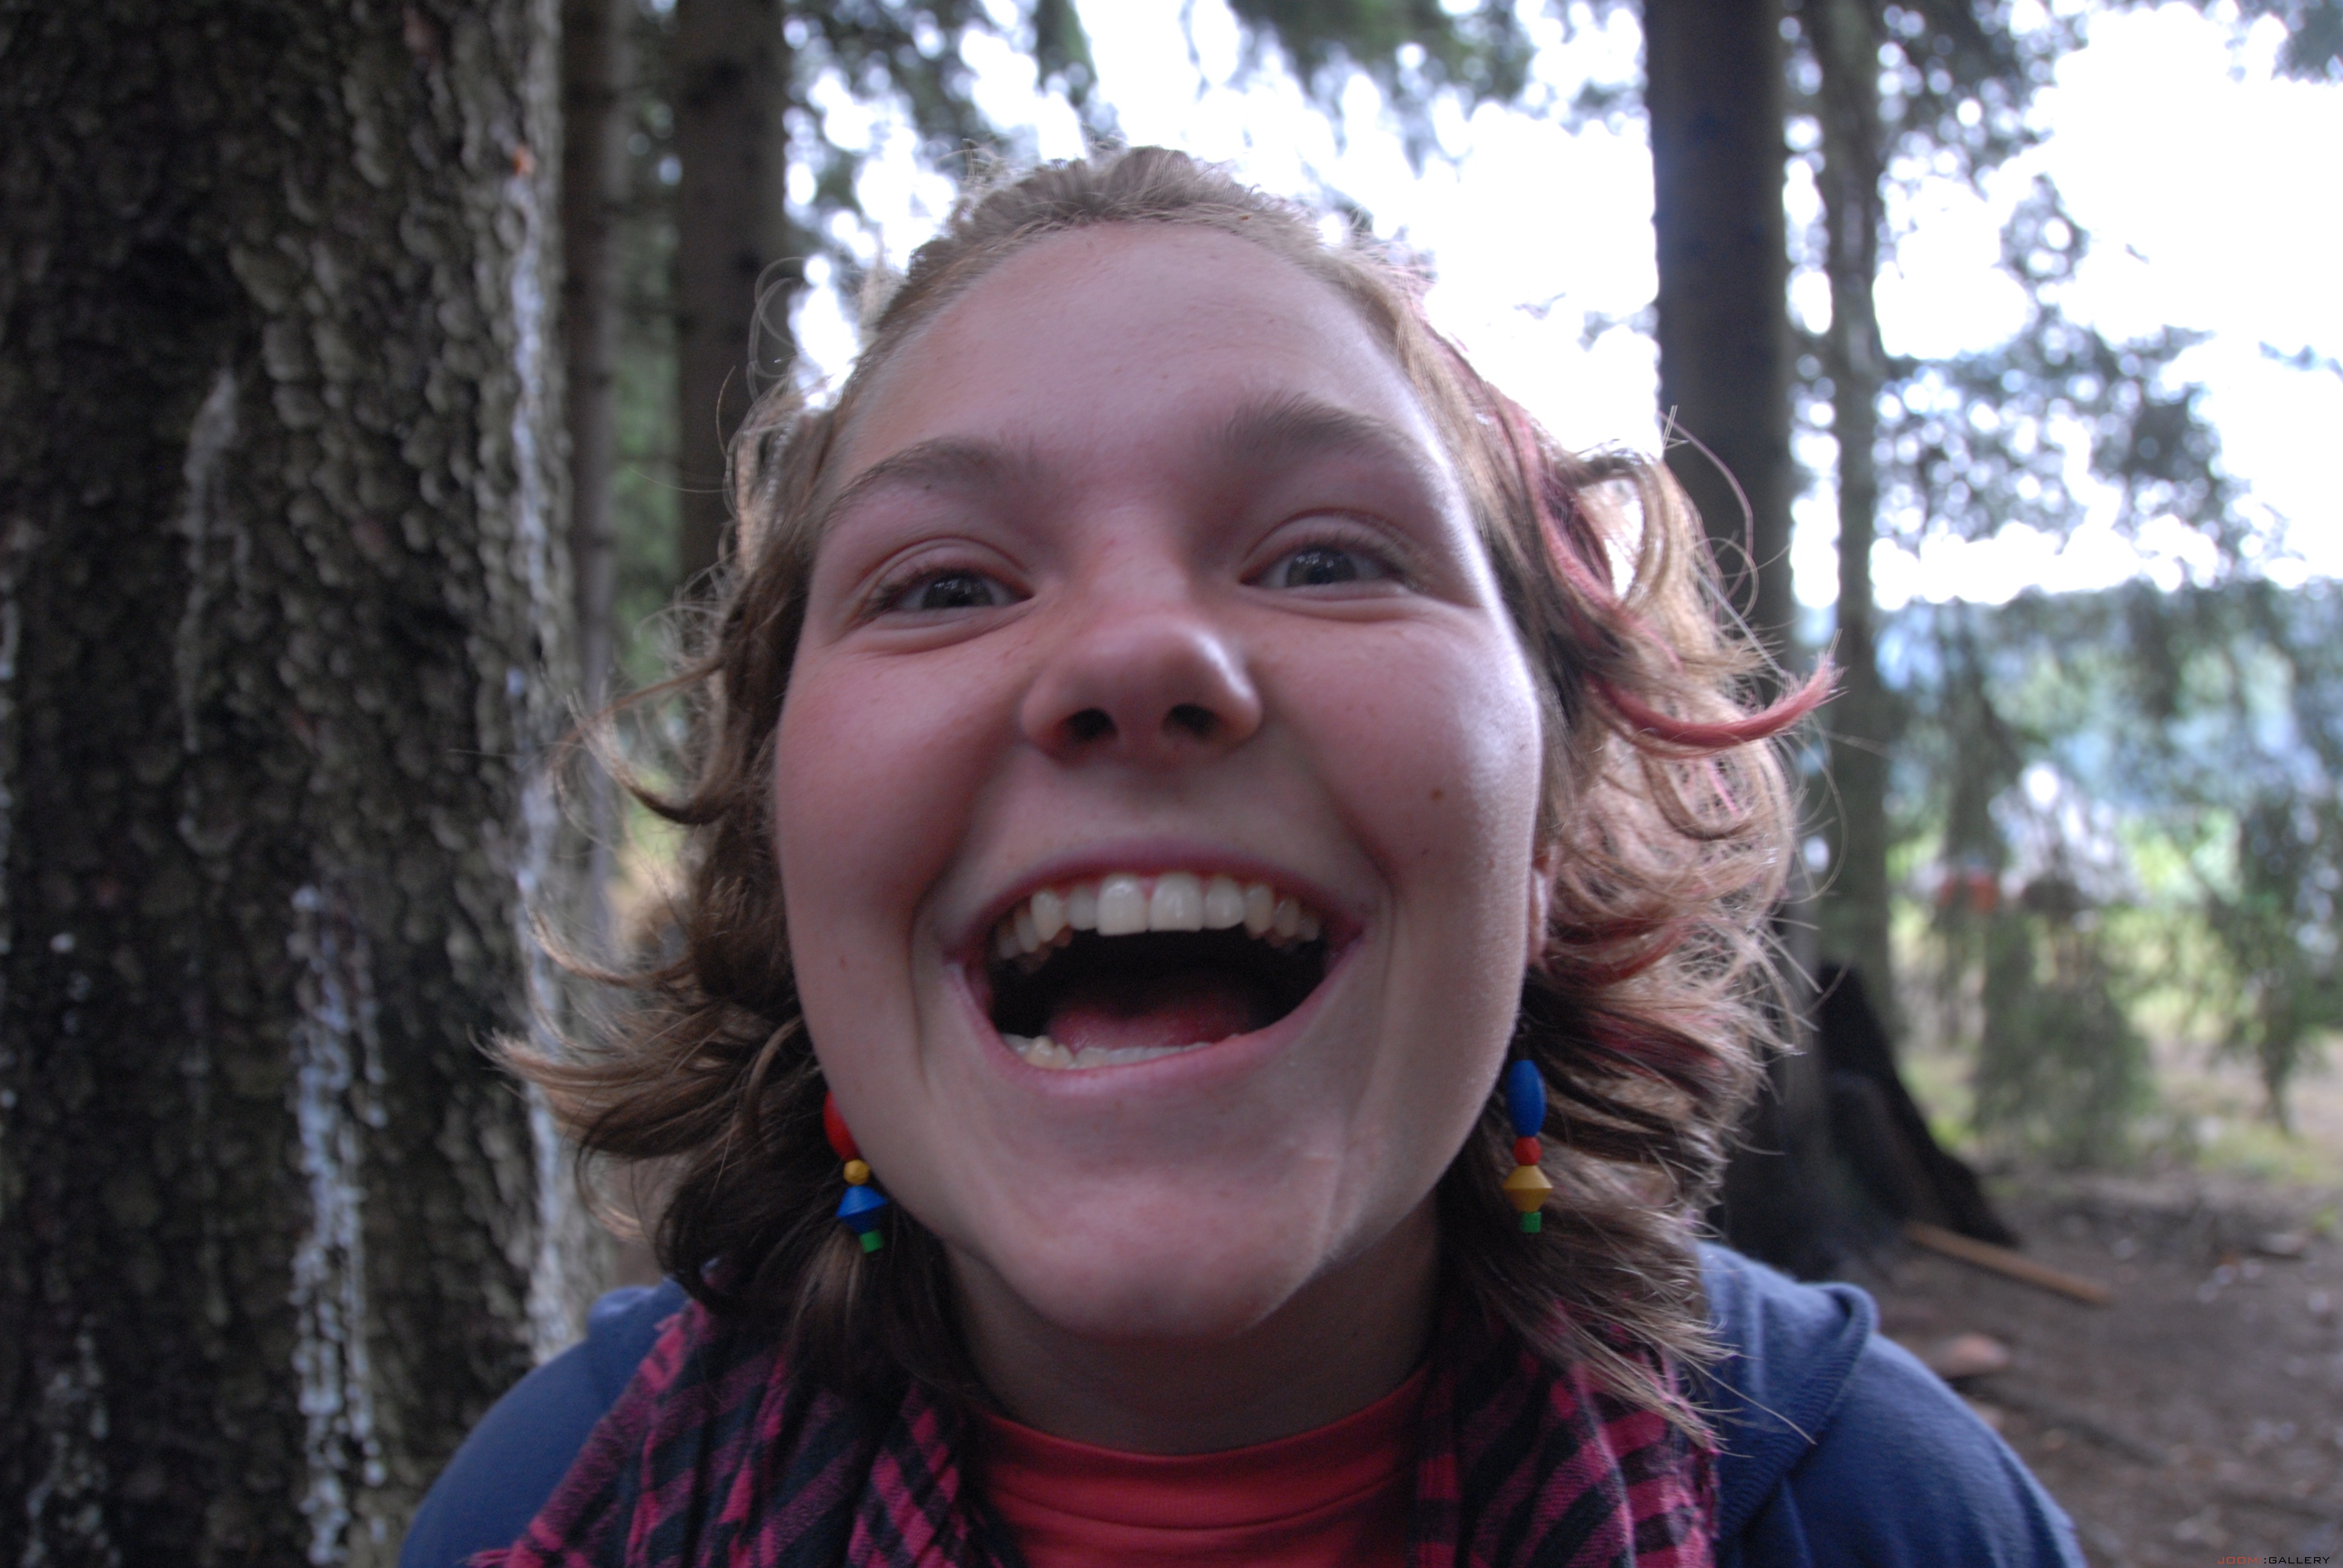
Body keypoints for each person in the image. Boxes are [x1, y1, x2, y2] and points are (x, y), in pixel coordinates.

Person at [404, 148, 2083, 1567]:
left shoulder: (1888, 1514)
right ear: (788, 850)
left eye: (1327, 558)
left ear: (1552, 821)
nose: (1138, 655)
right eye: (946, 586)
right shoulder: (555, 1506)